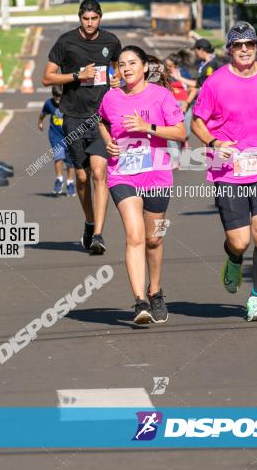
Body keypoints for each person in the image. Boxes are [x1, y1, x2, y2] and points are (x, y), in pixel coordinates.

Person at [191, 22, 257, 322]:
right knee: (240, 241)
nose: (245, 49)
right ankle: (233, 260)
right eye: (238, 45)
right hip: (227, 170)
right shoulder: (216, 82)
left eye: (250, 44)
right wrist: (214, 141)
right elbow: (197, 121)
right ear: (229, 50)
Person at [98, 45, 186, 324]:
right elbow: (101, 121)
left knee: (153, 238)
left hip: (157, 175)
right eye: (121, 64)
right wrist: (108, 142)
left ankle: (155, 291)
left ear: (145, 67)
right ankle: (139, 302)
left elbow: (181, 133)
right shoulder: (111, 98)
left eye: (132, 63)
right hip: (122, 174)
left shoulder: (161, 96)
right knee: (134, 235)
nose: (126, 68)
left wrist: (147, 127)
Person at [43, 0, 121, 255]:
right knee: (82, 177)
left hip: (101, 117)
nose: (90, 24)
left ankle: (98, 234)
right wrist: (77, 76)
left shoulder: (111, 42)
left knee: (100, 172)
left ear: (100, 18)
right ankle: (89, 222)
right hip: (73, 116)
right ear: (80, 19)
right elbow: (47, 77)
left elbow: (118, 70)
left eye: (94, 19)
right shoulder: (66, 42)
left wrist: (118, 81)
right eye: (85, 19)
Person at [38, 86, 76, 196]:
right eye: (56, 98)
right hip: (55, 135)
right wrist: (40, 122)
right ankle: (59, 179)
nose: (58, 101)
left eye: (60, 98)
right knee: (58, 157)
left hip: (70, 136)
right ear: (52, 95)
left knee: (70, 162)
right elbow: (43, 113)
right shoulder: (49, 103)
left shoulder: (69, 102)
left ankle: (70, 182)